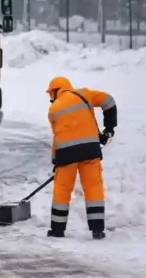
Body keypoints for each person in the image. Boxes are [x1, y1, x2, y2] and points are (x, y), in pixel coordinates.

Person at [46, 76, 117, 240]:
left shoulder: (53, 110)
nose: (51, 99)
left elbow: (57, 137)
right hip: (90, 151)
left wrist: (55, 160)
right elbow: (109, 101)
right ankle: (97, 229)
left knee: (62, 189)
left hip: (66, 154)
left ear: (56, 91)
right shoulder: (85, 94)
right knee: (93, 186)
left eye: (51, 95)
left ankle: (57, 229)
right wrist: (109, 128)